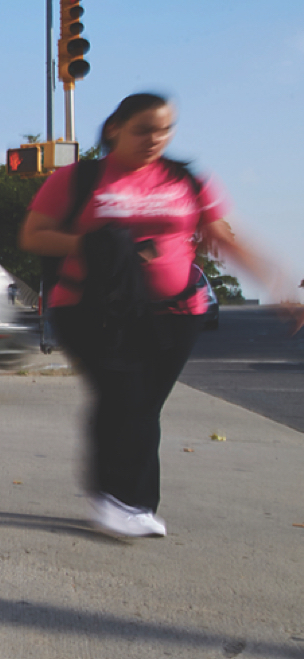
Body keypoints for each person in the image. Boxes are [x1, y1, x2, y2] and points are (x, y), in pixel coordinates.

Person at [20, 91, 297, 540]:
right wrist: (97, 245)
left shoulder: (185, 179)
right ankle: (125, 501)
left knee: (143, 404)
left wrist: (279, 285)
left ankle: (123, 499)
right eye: (143, 129)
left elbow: (223, 235)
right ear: (115, 129)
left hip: (175, 312)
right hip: (91, 309)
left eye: (165, 129)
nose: (155, 139)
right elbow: (34, 235)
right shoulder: (80, 179)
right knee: (125, 394)